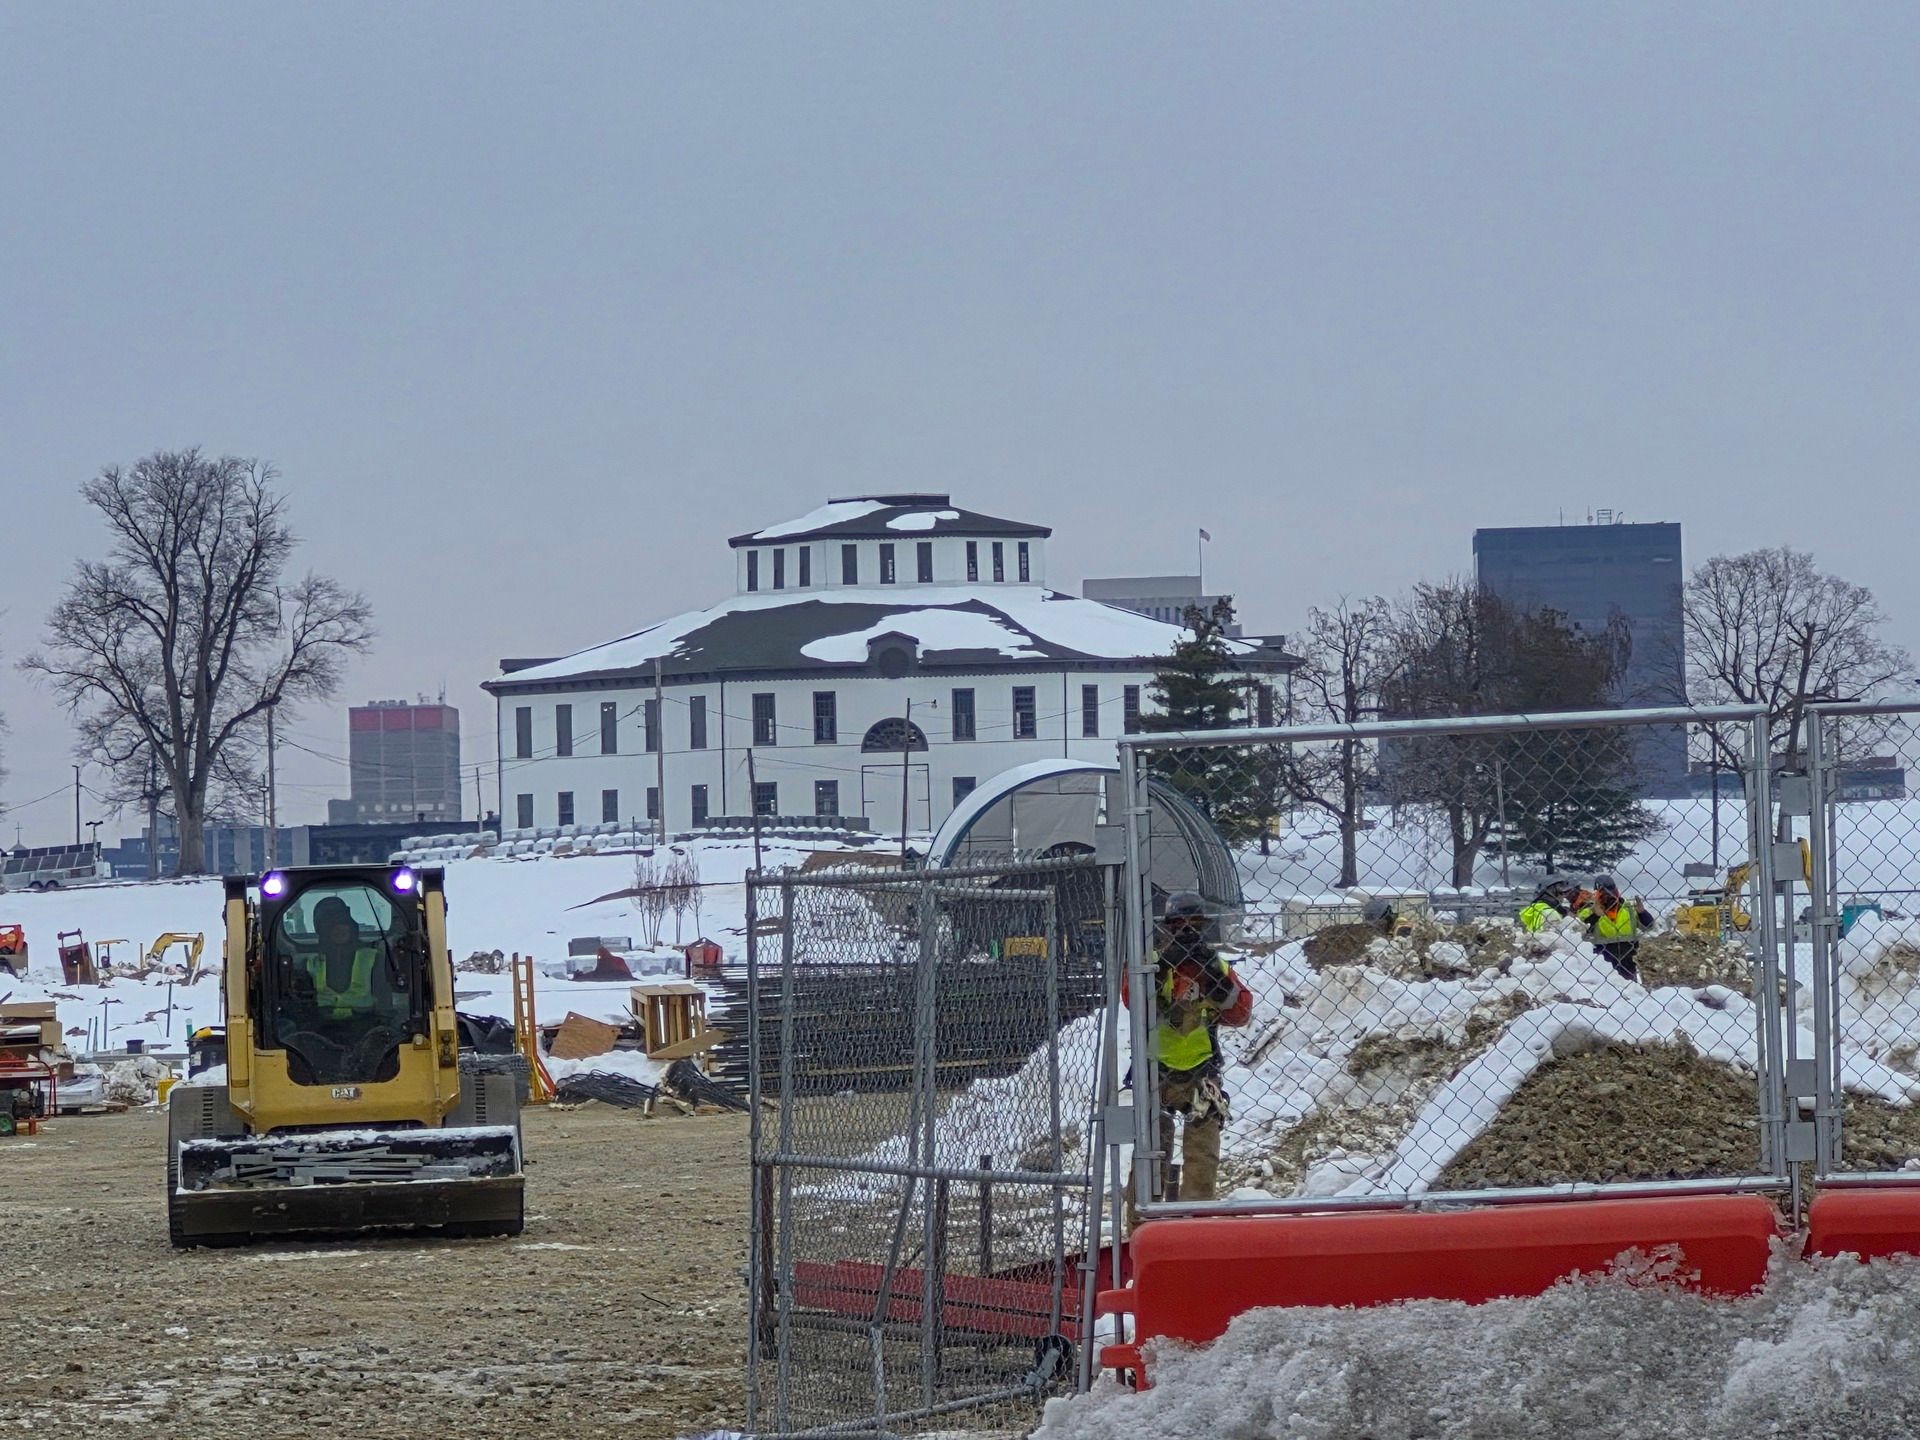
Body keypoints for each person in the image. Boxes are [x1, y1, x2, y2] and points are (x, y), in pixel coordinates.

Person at [1123, 892, 1253, 1222]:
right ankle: (1142, 1225)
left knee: (1202, 1156)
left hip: (1200, 1073)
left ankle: (1195, 1225)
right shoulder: (1150, 963)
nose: (1186, 933)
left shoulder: (1216, 966)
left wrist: (1213, 975)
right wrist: (1165, 964)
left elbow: (1239, 1013)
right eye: (1179, 926)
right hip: (1157, 1071)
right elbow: (1133, 1002)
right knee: (1151, 1154)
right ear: (1166, 929)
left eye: (1194, 926)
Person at [297, 896, 383, 1022]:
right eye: (332, 924)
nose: (340, 928)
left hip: (365, 1024)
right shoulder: (310, 963)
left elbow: (385, 1003)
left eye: (344, 922)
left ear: (351, 926)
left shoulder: (373, 958)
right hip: (319, 1027)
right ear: (321, 929)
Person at [1578, 874, 1655, 981]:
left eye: (1612, 893)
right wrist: (1595, 916)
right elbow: (1581, 933)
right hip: (1603, 962)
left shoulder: (1629, 909)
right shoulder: (1588, 912)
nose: (1609, 897)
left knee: (1630, 991)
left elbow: (1649, 926)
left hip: (1628, 959)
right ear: (1597, 895)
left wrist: (1642, 913)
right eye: (1604, 894)